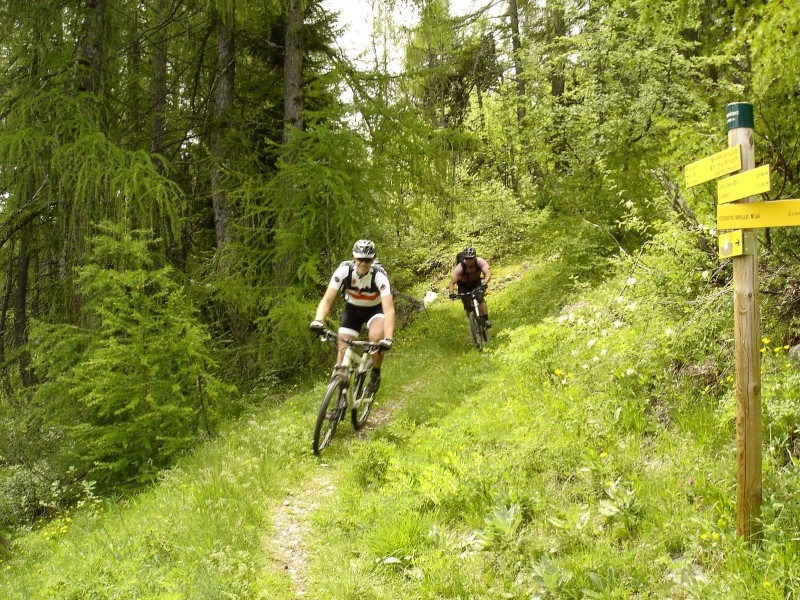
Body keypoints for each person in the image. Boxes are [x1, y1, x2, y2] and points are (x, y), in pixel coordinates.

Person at [310, 239, 395, 395]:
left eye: (368, 259)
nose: (363, 263)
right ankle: (337, 403)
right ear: (353, 257)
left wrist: (388, 338)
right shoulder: (343, 271)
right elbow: (327, 299)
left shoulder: (379, 276)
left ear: (373, 259)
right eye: (360, 258)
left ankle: (375, 373)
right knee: (341, 356)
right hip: (352, 311)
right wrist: (318, 320)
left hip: (375, 310)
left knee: (375, 338)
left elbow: (389, 310)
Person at [448, 246, 492, 328]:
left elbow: (488, 273)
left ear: (474, 257)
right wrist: (451, 292)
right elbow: (452, 282)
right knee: (467, 305)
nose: (469, 260)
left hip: (476, 282)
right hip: (463, 285)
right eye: (467, 258)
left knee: (479, 297)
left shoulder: (480, 262)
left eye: (471, 258)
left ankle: (486, 319)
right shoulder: (460, 267)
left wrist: (485, 282)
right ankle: (473, 323)